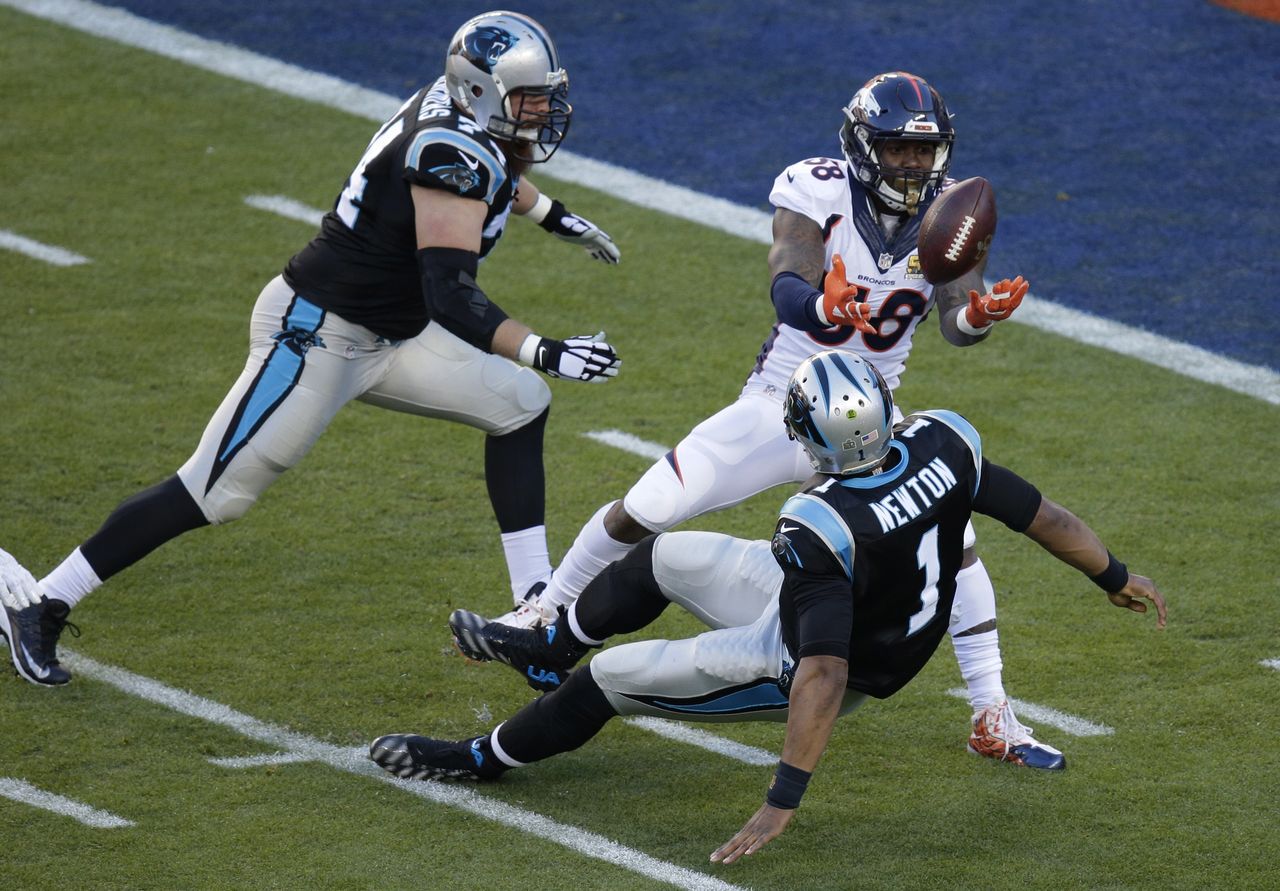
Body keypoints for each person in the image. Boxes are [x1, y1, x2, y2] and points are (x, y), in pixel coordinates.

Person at [0, 11, 623, 687]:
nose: (541, 109)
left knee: (520, 405)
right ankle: (44, 602)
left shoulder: (463, 118)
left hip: (391, 335)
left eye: (542, 94)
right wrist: (542, 348)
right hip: (317, 332)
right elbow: (450, 293)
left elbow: (497, 171)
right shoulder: (448, 151)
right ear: (479, 92)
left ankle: (531, 617)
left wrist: (556, 217)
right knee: (215, 490)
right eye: (528, 97)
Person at [452, 71, 1051, 767]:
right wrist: (824, 309)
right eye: (897, 149)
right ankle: (544, 615)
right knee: (653, 502)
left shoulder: (951, 209)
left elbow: (955, 314)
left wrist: (976, 318)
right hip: (785, 401)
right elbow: (787, 275)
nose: (914, 165)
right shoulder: (817, 189)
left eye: (924, 151)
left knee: (956, 538)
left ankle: (992, 712)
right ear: (862, 146)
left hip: (871, 421)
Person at [370, 350, 1167, 863]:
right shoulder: (946, 439)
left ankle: (479, 759)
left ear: (816, 441)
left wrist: (781, 797)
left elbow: (820, 668)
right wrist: (1113, 574)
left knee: (612, 677)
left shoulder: (819, 520)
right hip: (850, 607)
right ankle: (548, 650)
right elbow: (1047, 517)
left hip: (821, 661)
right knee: (664, 554)